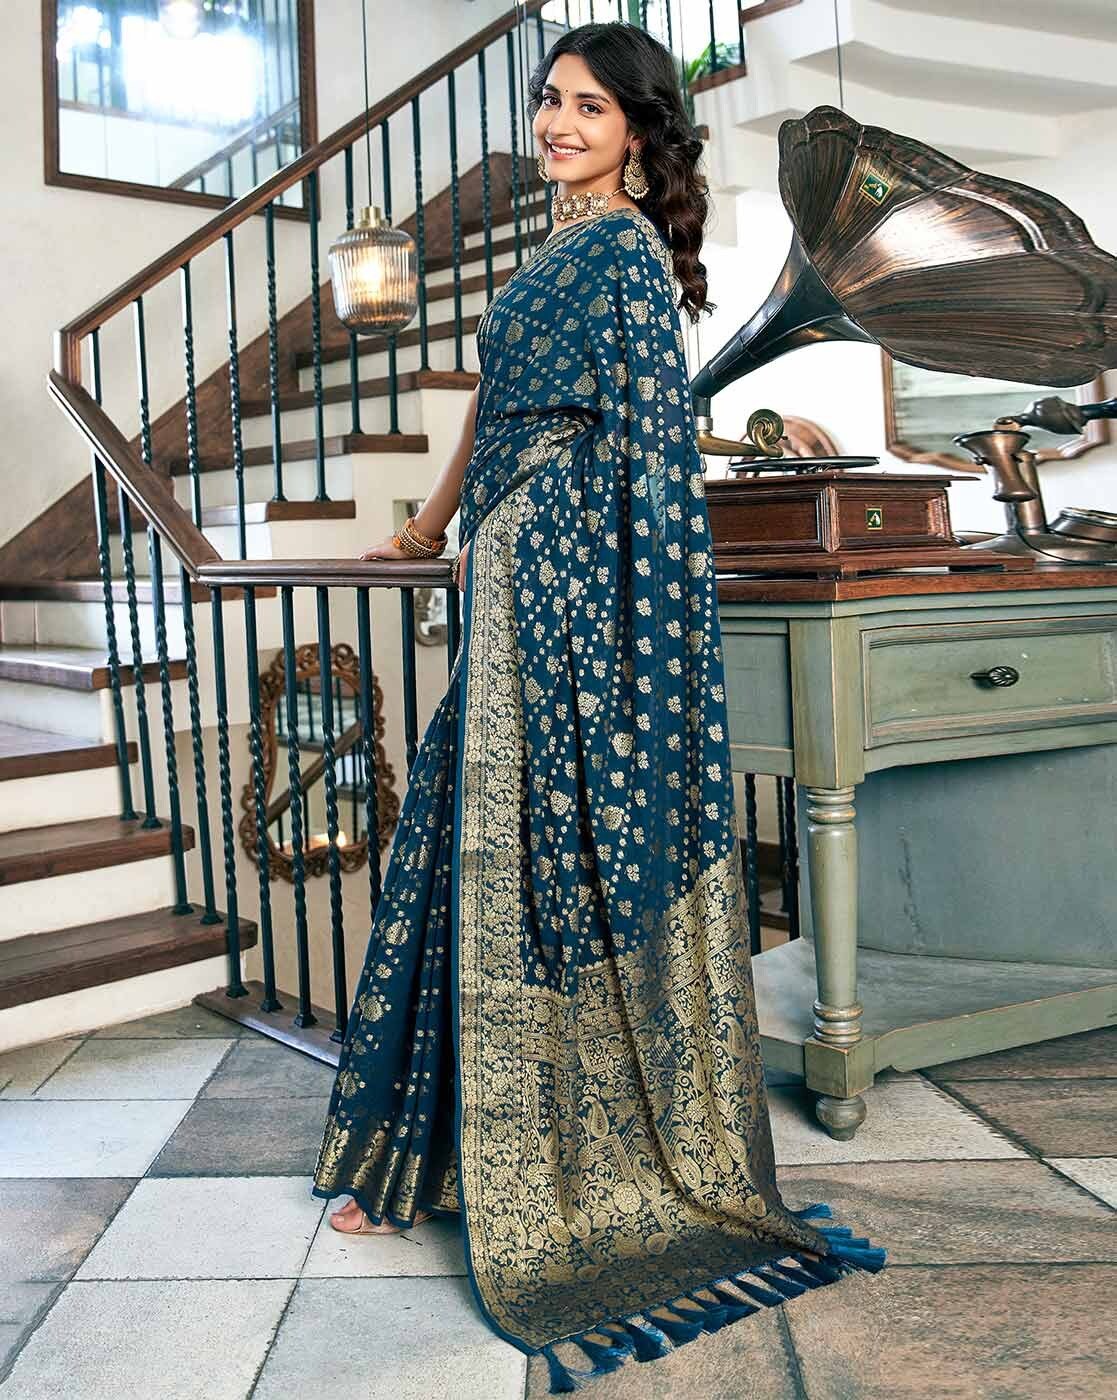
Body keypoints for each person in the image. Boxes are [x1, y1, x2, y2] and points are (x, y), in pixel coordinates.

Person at [310, 20, 885, 1392]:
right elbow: (493, 406)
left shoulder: (624, 253)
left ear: (638, 128)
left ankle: (551, 1165)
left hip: (559, 573)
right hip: (508, 553)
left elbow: (640, 441)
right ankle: (440, 1152)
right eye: (548, 101)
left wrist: (573, 579)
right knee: (469, 837)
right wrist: (431, 527)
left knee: (526, 849)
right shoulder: (557, 247)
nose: (558, 123)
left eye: (587, 106)